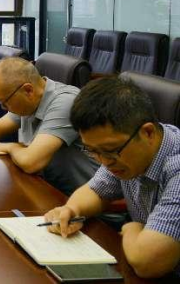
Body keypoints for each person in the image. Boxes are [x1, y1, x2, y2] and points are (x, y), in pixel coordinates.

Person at [44, 78, 180, 279]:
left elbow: (148, 262)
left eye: (109, 151)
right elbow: (96, 190)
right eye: (92, 151)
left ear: (148, 132)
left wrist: (131, 229)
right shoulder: (126, 150)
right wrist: (72, 210)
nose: (104, 162)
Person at [0, 57, 98, 195]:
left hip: (83, 202)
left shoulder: (65, 102)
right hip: (46, 187)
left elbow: (31, 162)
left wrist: (12, 147)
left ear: (28, 90)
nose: (3, 108)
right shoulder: (28, 99)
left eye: (5, 102)